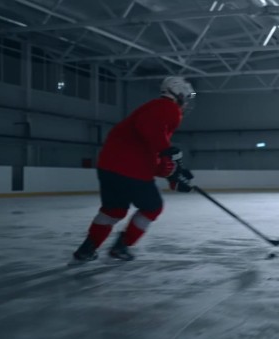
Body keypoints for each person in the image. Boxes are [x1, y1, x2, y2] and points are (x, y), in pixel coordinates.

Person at [70, 77, 196, 265]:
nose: (185, 102)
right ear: (177, 94)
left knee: (113, 210)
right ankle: (122, 246)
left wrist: (172, 173)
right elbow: (150, 133)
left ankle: (86, 250)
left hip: (109, 167)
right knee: (152, 207)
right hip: (131, 170)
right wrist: (167, 153)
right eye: (185, 97)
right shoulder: (167, 108)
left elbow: (151, 145)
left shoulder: (153, 110)